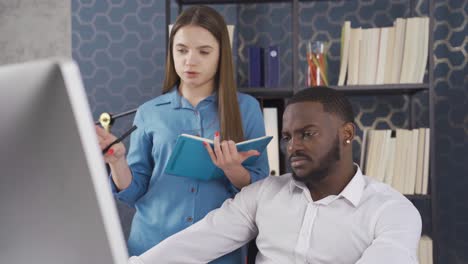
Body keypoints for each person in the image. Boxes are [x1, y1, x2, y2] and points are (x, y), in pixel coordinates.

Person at [127, 87, 423, 264]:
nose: (293, 146)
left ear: (346, 134)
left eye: (307, 134)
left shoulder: (392, 211)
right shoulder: (265, 194)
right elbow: (194, 243)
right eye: (287, 137)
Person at [95, 5, 269, 263]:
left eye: (204, 51)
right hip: (151, 247)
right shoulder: (149, 112)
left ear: (221, 55)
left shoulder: (247, 109)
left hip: (219, 252)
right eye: (181, 50)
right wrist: (117, 161)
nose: (190, 60)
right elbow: (133, 193)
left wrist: (234, 170)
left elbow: (260, 191)